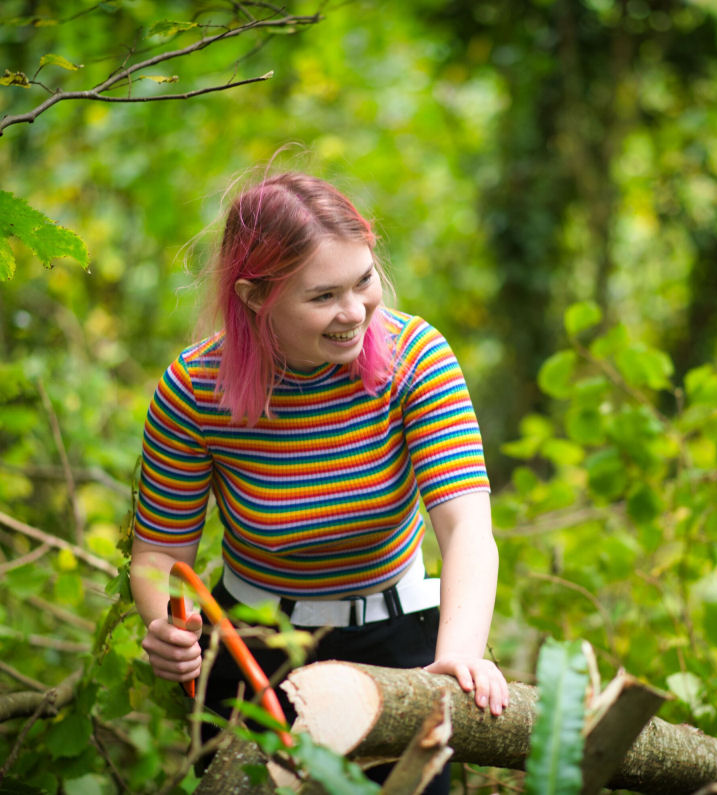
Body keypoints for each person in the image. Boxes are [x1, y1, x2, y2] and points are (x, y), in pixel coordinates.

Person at [128, 172, 508, 788]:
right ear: (255, 297)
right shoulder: (195, 390)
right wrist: (166, 625)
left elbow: (466, 525)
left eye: (364, 281)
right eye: (323, 296)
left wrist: (457, 655)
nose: (354, 312)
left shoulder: (418, 359)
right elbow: (158, 553)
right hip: (254, 650)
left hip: (403, 644)